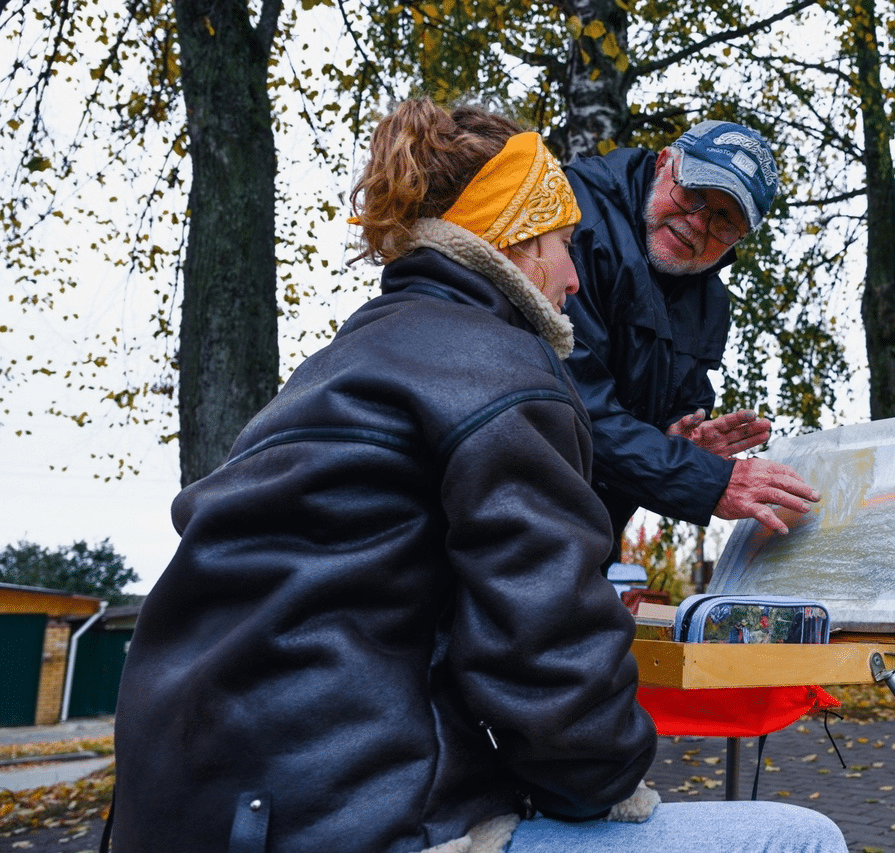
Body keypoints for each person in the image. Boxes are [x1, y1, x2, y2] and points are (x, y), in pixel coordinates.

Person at [109, 99, 849, 853]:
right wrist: (602, 776)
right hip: (351, 821)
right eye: (565, 246)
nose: (575, 281)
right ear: (521, 246)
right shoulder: (506, 363)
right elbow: (548, 667)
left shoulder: (350, 353)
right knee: (800, 837)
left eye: (727, 223)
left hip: (198, 810)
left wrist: (675, 447)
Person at [563, 120, 820, 559]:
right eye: (693, 194)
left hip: (589, 540)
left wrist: (680, 447)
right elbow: (570, 410)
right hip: (504, 522)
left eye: (724, 220)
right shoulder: (577, 222)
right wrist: (709, 480)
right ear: (665, 163)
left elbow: (674, 418)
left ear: (741, 238)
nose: (697, 223)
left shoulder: (709, 303)